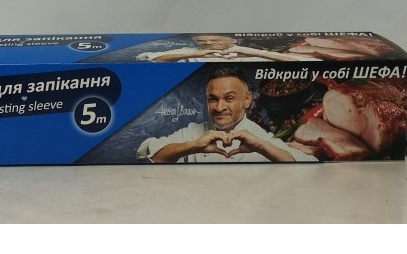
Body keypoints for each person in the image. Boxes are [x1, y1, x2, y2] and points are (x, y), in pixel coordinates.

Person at [137, 66, 317, 163]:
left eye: (229, 98)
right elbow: (146, 155)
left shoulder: (261, 138)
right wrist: (193, 146)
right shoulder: (192, 133)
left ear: (247, 100)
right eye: (213, 99)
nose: (219, 107)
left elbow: (307, 165)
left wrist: (261, 146)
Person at [136, 34, 311, 63]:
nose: (207, 43)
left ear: (233, 39)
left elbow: (296, 62)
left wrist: (251, 52)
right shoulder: (189, 51)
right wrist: (197, 53)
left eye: (214, 40)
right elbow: (150, 59)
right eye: (201, 40)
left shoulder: (247, 52)